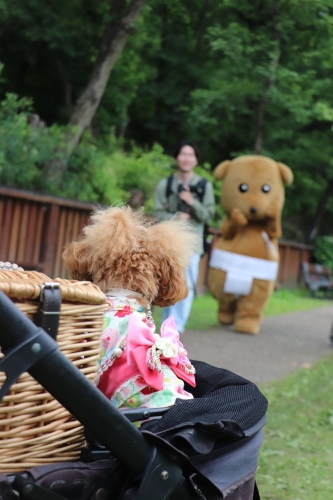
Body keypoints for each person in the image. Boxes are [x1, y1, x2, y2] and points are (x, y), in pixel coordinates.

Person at [154, 141, 215, 333]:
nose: (186, 158)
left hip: (192, 245)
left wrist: (191, 202)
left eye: (191, 155)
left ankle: (176, 327)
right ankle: (166, 326)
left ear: (196, 160)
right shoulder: (166, 184)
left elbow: (208, 215)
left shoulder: (205, 185)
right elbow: (156, 213)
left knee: (186, 286)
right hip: (168, 243)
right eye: (183, 154)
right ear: (176, 158)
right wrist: (174, 217)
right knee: (167, 284)